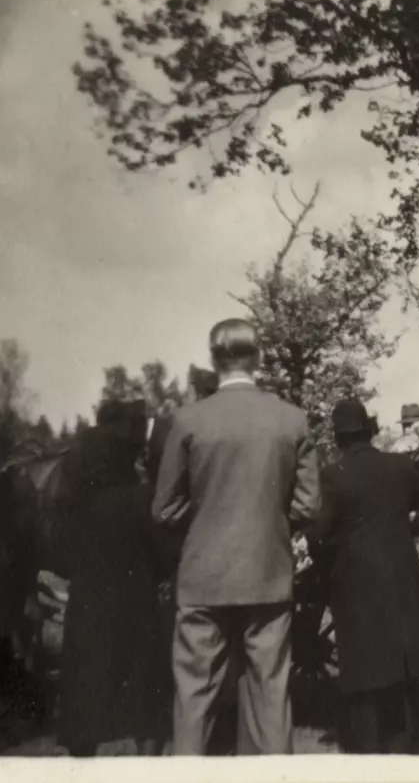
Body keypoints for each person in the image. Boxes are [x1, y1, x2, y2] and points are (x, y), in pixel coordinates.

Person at [152, 318, 320, 755]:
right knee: (270, 694)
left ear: (214, 360)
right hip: (267, 574)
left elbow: (165, 508)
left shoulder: (188, 420)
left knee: (194, 695)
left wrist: (207, 520)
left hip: (203, 577)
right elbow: (307, 505)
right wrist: (266, 521)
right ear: (257, 357)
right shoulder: (291, 419)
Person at [310, 399, 419, 754]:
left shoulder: (333, 476)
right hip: (401, 572)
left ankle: (367, 741)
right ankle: (406, 735)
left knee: (365, 659)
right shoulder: (398, 466)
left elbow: (319, 531)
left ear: (339, 438)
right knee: (401, 657)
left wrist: (323, 560)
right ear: (369, 431)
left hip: (356, 579)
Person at [57, 400, 168, 757]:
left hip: (87, 603)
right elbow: (162, 555)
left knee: (86, 683)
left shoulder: (72, 503)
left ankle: (81, 755)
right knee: (143, 690)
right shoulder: (139, 498)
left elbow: (58, 554)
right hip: (135, 603)